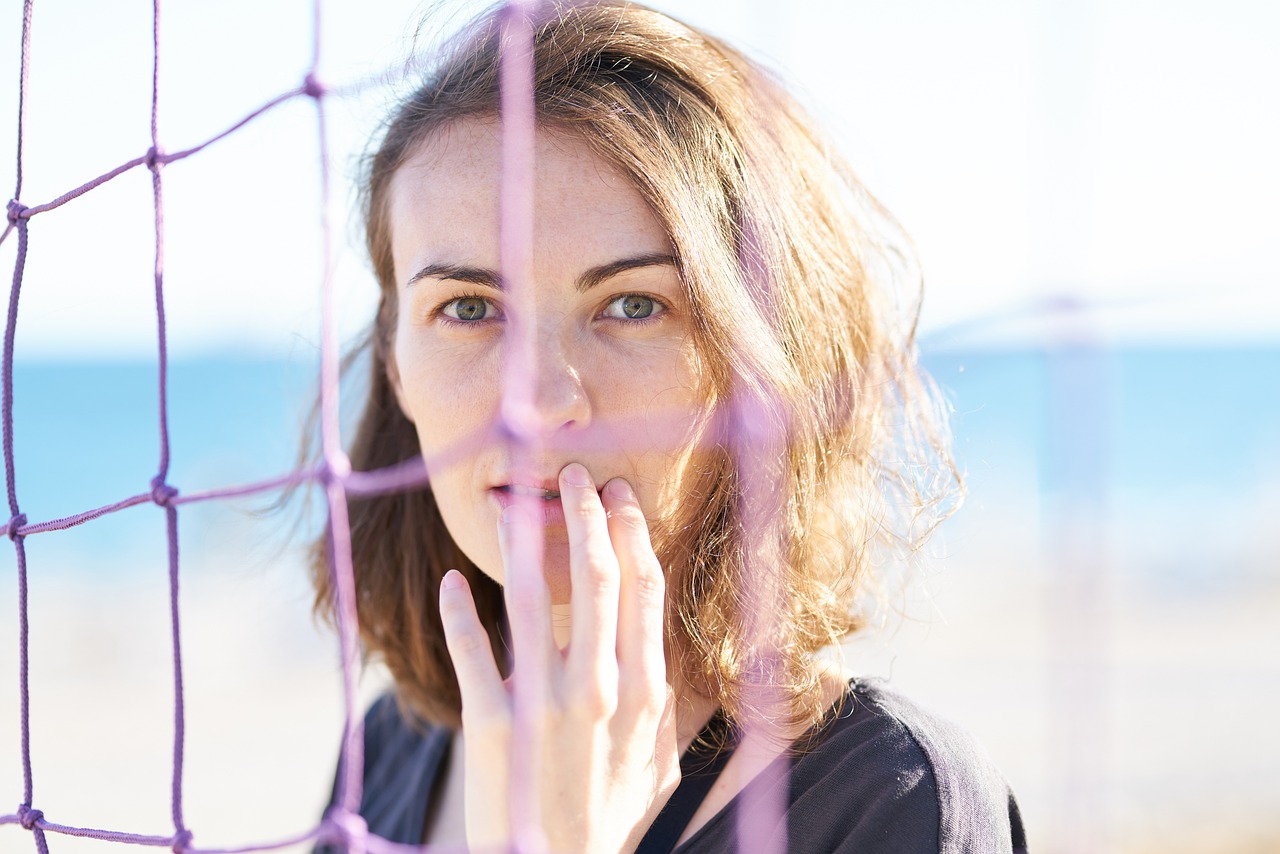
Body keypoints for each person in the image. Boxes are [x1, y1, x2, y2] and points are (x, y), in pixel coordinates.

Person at [314, 1, 1028, 851]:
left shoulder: (890, 798)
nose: (537, 402)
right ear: (393, 360)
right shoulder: (392, 745)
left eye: (632, 304)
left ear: (761, 359)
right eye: (468, 307)